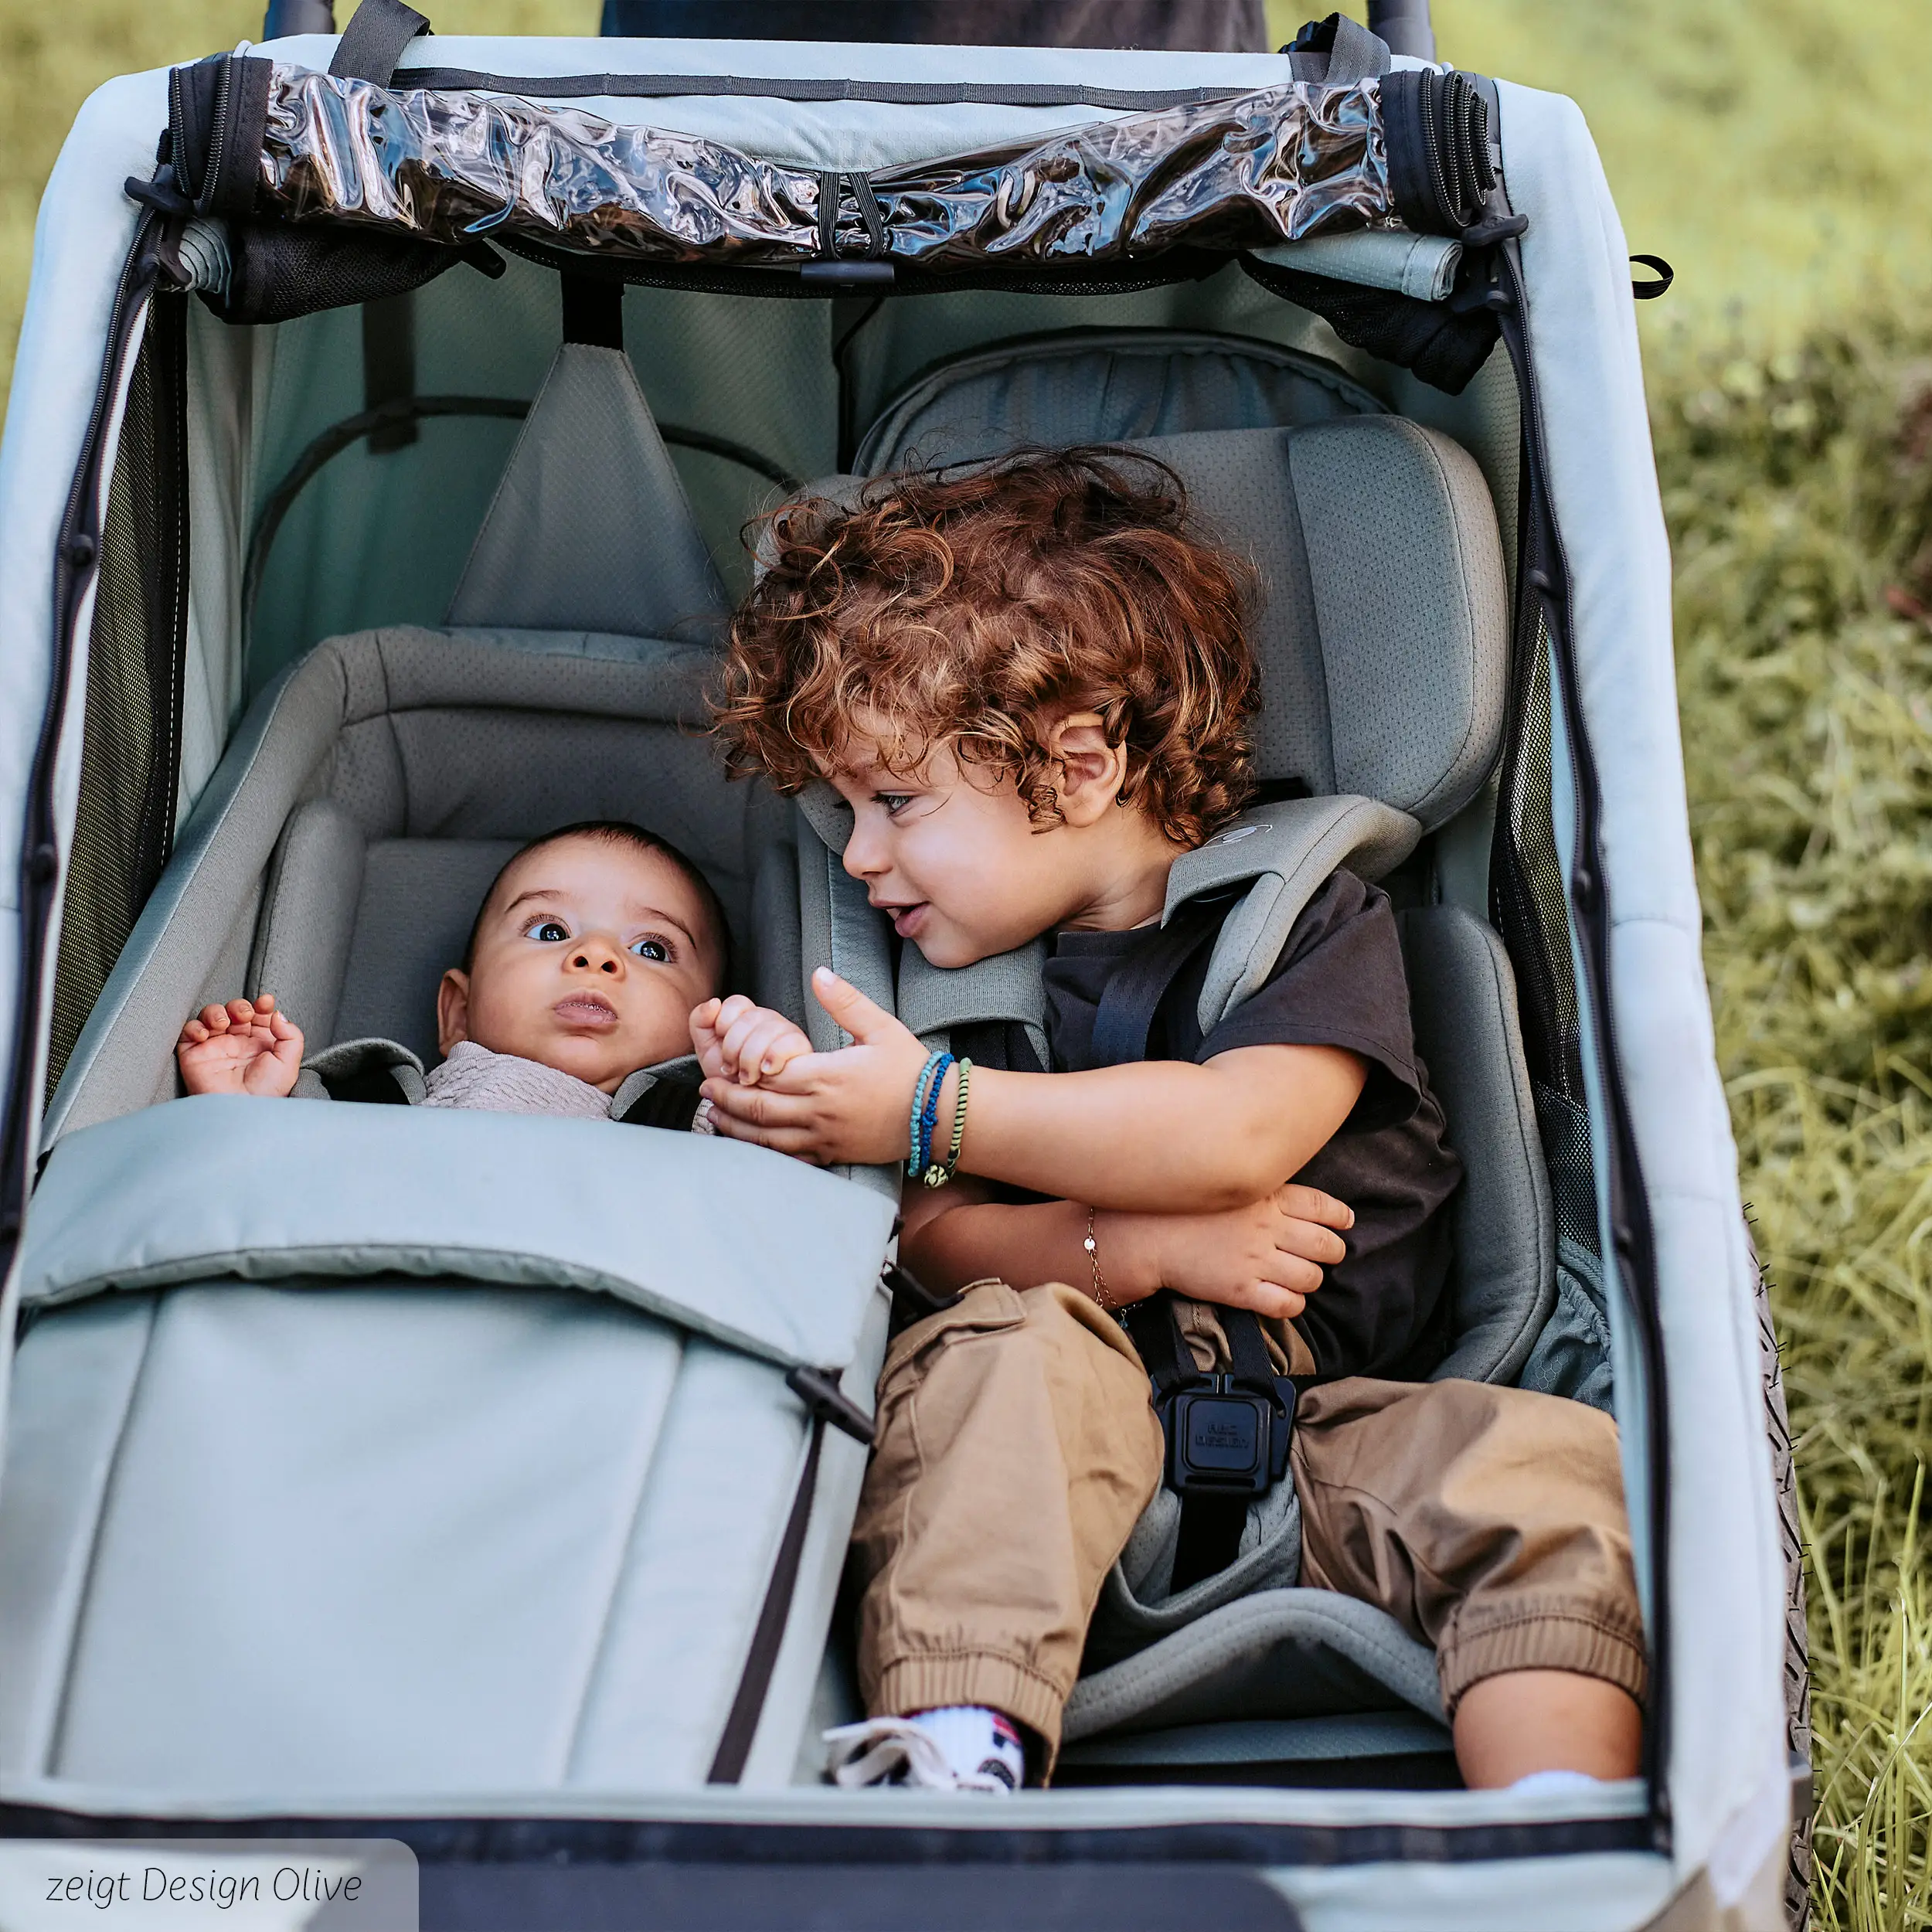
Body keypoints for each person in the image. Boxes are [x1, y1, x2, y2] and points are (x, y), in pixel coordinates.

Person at [698, 449, 1648, 1796]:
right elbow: (935, 1244)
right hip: (1041, 1465)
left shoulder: (1305, 923)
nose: (857, 855)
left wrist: (930, 1108)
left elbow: (1233, 1138)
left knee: (1549, 1470)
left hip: (1335, 1440)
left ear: (1080, 766)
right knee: (992, 1365)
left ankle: (1555, 1824)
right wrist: (1127, 1250)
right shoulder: (929, 997)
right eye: (849, 811)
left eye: (894, 803)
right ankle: (955, 1766)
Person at [176, 818, 801, 1124]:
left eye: (653, 949)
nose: (596, 956)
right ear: (457, 1012)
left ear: (711, 1026)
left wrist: (772, 1079)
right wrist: (245, 1109)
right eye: (550, 931)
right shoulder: (373, 1103)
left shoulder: (705, 1128)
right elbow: (280, 1199)